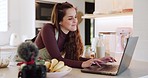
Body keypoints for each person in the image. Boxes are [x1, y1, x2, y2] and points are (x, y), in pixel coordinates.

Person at [34, 2, 116, 68]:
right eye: (70, 18)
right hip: (26, 65)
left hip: (45, 69)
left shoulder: (70, 34)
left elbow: (73, 59)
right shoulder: (48, 29)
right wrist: (83, 64)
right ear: (59, 21)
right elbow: (58, 59)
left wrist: (96, 60)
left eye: (75, 17)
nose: (75, 21)